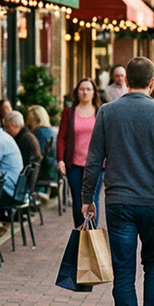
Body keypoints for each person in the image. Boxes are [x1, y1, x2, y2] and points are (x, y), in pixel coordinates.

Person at [81, 57, 154, 306]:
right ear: (152, 82)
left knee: (123, 273)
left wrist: (88, 197)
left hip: (120, 201)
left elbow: (94, 159)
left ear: (126, 81)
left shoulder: (108, 112)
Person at [56, 80, 100, 227]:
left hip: (95, 165)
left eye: (88, 89)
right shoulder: (69, 113)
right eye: (82, 89)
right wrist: (60, 160)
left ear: (94, 92)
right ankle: (80, 234)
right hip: (74, 165)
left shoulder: (100, 111)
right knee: (78, 200)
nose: (85, 92)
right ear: (77, 92)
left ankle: (92, 235)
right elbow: (61, 138)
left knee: (93, 200)